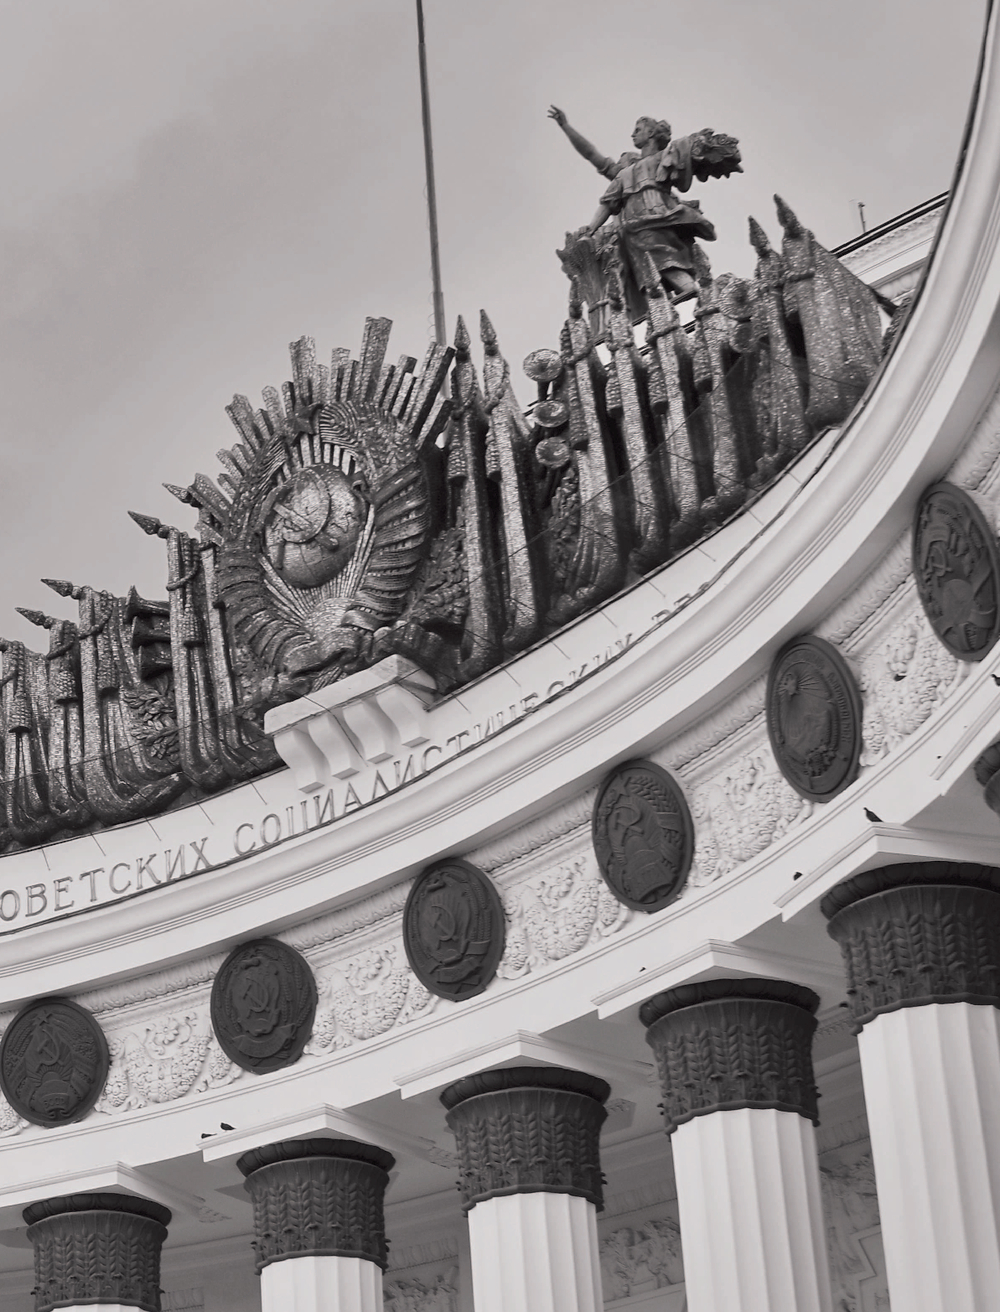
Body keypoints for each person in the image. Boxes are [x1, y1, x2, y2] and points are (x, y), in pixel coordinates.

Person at [549, 106, 740, 301]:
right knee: (649, 270)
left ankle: (695, 293)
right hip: (634, 229)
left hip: (651, 219)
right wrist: (566, 127)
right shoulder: (625, 172)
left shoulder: (664, 157)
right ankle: (668, 304)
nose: (632, 134)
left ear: (650, 133)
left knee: (660, 257)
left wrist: (710, 147)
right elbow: (594, 162)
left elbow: (692, 149)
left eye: (638, 130)